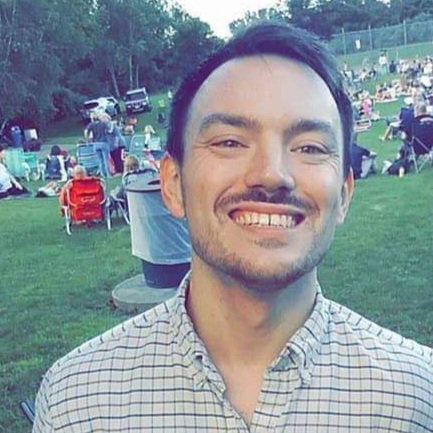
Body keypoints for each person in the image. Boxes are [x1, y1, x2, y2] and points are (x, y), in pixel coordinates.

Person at [33, 22, 433, 432]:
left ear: (344, 194)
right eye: (230, 142)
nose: (272, 174)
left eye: (309, 147)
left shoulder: (418, 399)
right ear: (173, 184)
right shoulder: (76, 403)